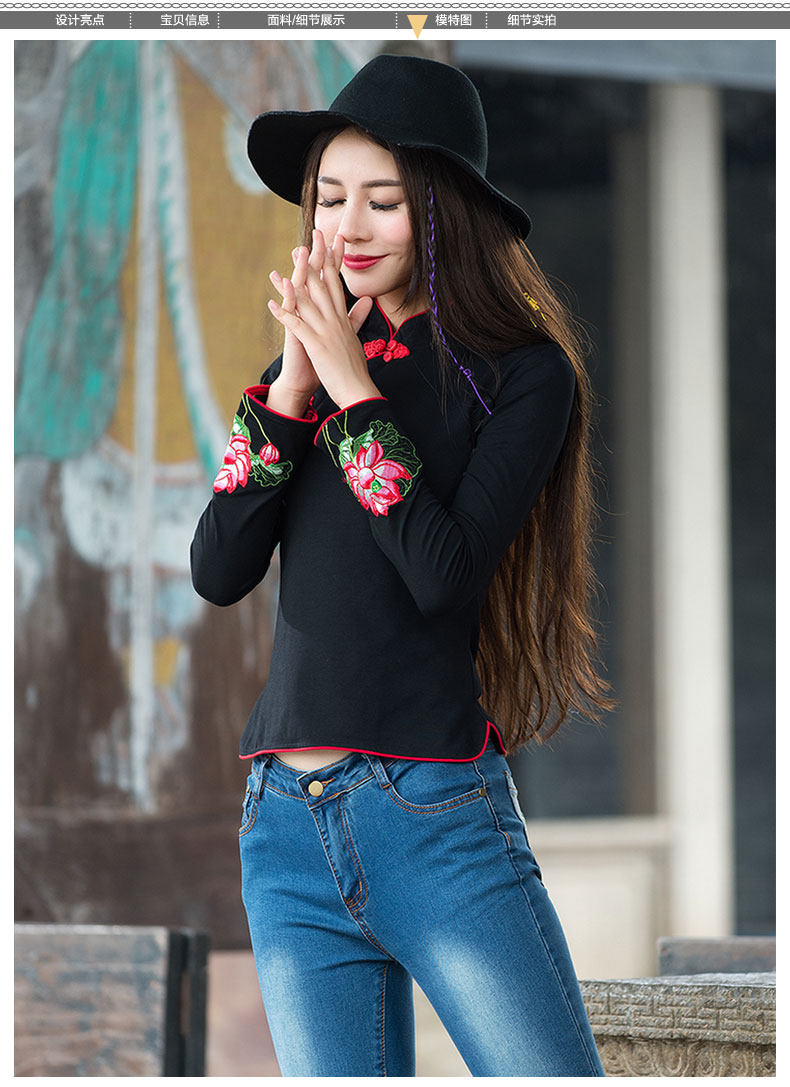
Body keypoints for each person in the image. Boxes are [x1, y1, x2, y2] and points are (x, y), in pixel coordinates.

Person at [191, 53, 614, 1078]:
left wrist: (351, 391)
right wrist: (293, 392)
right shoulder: (301, 378)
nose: (349, 225)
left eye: (381, 200)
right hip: (284, 829)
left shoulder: (523, 374)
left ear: (441, 211)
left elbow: (443, 573)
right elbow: (217, 566)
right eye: (330, 199)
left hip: (434, 817)